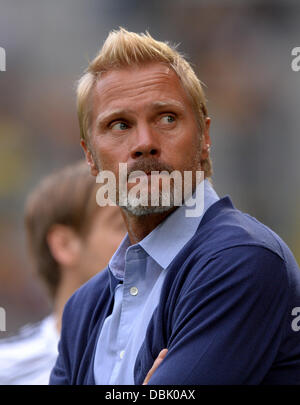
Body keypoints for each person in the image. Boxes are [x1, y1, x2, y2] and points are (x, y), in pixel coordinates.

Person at [50, 28, 300, 385]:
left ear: (204, 138)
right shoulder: (82, 309)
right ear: (90, 156)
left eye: (167, 118)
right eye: (120, 125)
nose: (145, 143)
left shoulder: (243, 260)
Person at [0, 161, 126, 385]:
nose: (142, 238)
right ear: (64, 244)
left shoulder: (175, 353)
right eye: (121, 224)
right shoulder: (7, 370)